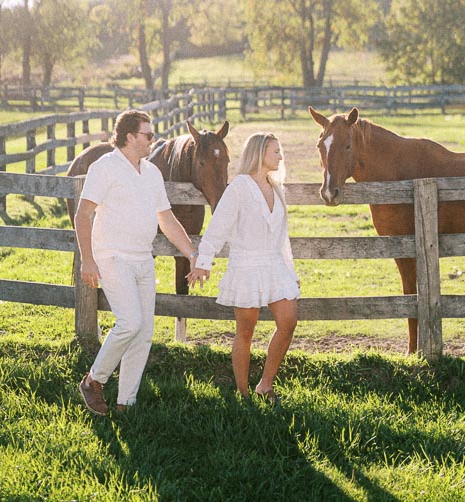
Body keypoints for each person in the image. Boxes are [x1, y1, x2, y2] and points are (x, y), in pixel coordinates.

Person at [74, 109, 199, 415]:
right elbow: (82, 214)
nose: (152, 140)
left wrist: (192, 254)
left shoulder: (152, 172)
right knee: (129, 323)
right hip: (113, 257)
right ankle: (93, 381)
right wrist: (87, 260)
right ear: (130, 137)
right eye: (147, 135)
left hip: (144, 260)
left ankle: (125, 404)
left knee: (143, 334)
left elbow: (166, 219)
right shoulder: (105, 167)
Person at [190, 132, 299, 402]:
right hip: (247, 266)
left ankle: (266, 384)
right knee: (246, 331)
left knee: (288, 322)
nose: (280, 156)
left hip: (274, 265)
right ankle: (243, 393)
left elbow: (282, 237)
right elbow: (217, 228)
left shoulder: (277, 187)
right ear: (260, 153)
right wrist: (204, 262)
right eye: (276, 151)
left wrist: (290, 272)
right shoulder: (239, 187)